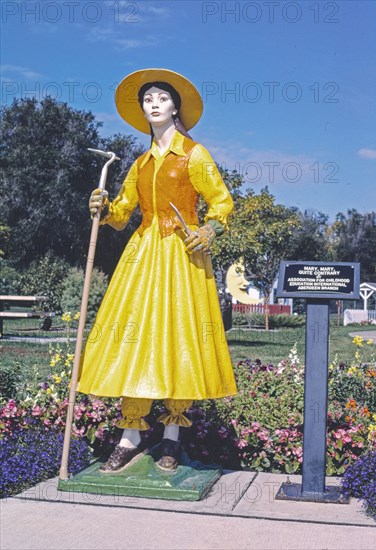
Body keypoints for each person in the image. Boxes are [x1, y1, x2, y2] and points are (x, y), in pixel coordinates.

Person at [77, 68, 237, 474]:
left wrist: (208, 230)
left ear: (175, 106)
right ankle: (129, 436)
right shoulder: (140, 163)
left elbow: (222, 204)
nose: (153, 102)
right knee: (136, 338)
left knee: (179, 337)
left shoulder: (194, 154)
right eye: (147, 98)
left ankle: (171, 438)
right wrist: (103, 208)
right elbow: (121, 214)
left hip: (182, 255)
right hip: (144, 256)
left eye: (161, 97)